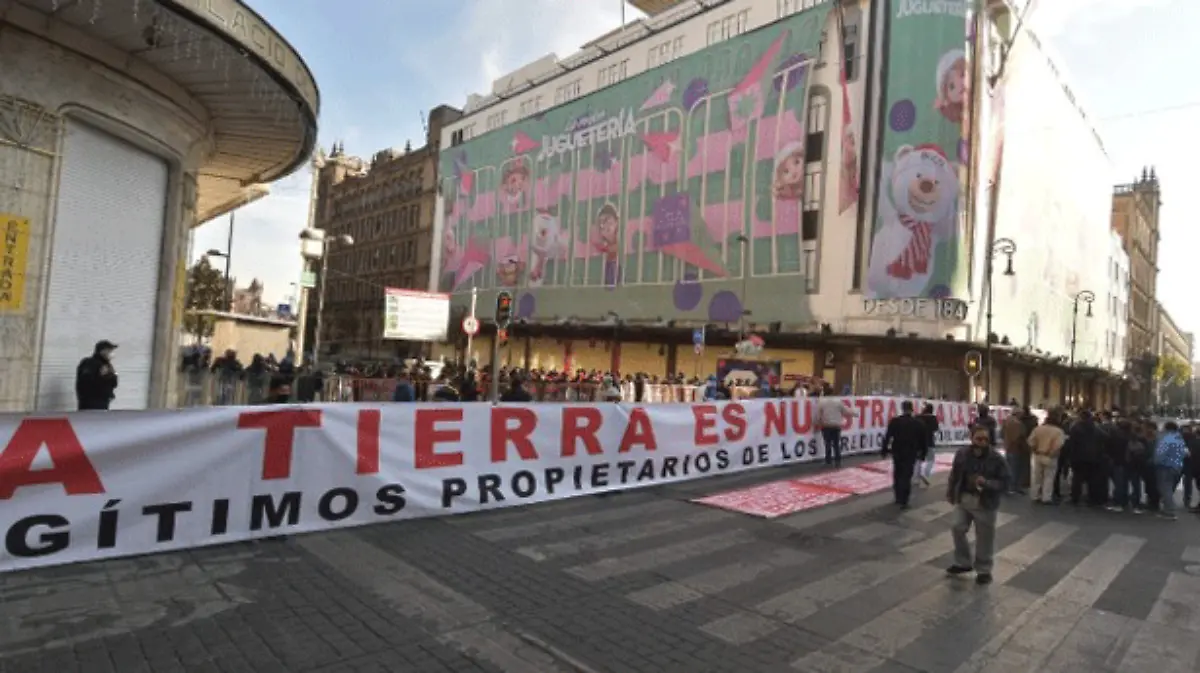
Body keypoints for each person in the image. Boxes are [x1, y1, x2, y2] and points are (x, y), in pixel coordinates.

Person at [946, 424, 1010, 585]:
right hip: (965, 498)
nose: (982, 442)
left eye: (985, 439)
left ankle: (983, 570)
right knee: (957, 527)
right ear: (971, 438)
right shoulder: (962, 454)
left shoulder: (996, 458)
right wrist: (951, 492)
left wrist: (987, 483)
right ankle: (963, 562)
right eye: (978, 438)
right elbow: (954, 474)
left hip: (985, 502)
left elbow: (1006, 482)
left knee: (985, 537)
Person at [881, 400, 928, 509]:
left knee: (897, 473)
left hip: (897, 451)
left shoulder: (895, 421)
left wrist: (884, 450)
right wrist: (923, 453)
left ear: (902, 408)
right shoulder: (919, 423)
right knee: (907, 475)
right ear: (912, 409)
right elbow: (923, 440)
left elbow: (887, 436)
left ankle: (897, 496)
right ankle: (904, 499)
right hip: (911, 452)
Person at [1065, 410, 1105, 507]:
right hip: (1093, 457)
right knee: (1092, 479)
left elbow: (1072, 444)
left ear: (1081, 417)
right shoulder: (1096, 427)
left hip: (1079, 457)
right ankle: (1092, 498)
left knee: (1077, 478)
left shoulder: (1076, 428)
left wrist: (1070, 457)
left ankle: (1075, 498)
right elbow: (1104, 438)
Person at [1028, 411, 1066, 505]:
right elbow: (1059, 445)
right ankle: (1046, 497)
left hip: (1038, 454)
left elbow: (1030, 441)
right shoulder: (1058, 431)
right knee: (1049, 477)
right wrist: (1052, 452)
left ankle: (1035, 495)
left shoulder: (1038, 429)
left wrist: (1035, 449)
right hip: (1050, 456)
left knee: (1037, 477)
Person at [1154, 420, 1187, 521]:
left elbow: (1160, 454)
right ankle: (1168, 509)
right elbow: (1184, 453)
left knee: (1165, 488)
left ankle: (1169, 511)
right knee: (1169, 488)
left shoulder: (1166, 439)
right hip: (1177, 466)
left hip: (1165, 466)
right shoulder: (1180, 439)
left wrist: (1156, 462)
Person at [75, 340, 119, 410]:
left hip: (103, 403)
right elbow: (86, 383)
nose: (111, 354)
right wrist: (101, 376)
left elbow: (114, 383)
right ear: (102, 351)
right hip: (91, 404)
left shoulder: (107, 365)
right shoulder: (89, 363)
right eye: (109, 351)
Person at [816, 386, 854, 467]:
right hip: (836, 425)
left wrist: (818, 422)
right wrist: (855, 413)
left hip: (826, 425)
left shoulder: (821, 402)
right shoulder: (838, 401)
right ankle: (838, 461)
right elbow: (846, 411)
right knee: (836, 444)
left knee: (828, 444)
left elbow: (818, 415)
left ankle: (828, 461)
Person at [1001, 410, 1028, 494]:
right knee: (1015, 468)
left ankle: (1008, 486)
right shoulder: (1018, 424)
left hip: (1007, 447)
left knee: (1008, 467)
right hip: (1015, 449)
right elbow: (1020, 437)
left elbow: (1002, 434)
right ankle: (1012, 487)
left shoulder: (1006, 421)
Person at [914, 403, 940, 487]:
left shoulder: (918, 417)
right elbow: (936, 429)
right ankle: (926, 473)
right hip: (929, 441)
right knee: (931, 460)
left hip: (918, 441)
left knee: (918, 460)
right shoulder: (933, 418)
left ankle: (916, 478)